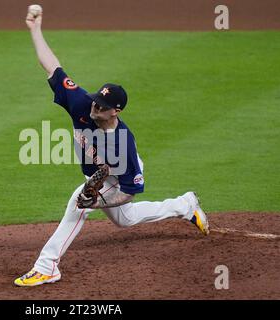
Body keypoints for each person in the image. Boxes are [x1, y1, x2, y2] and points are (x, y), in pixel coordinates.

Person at [14, 10, 209, 287]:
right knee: (125, 221)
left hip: (118, 178)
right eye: (95, 102)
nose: (94, 108)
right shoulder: (82, 103)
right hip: (98, 176)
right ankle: (185, 205)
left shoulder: (123, 144)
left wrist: (97, 201)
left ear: (115, 111)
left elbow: (128, 192)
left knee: (78, 204)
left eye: (102, 107)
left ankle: (47, 266)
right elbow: (52, 67)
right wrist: (35, 29)